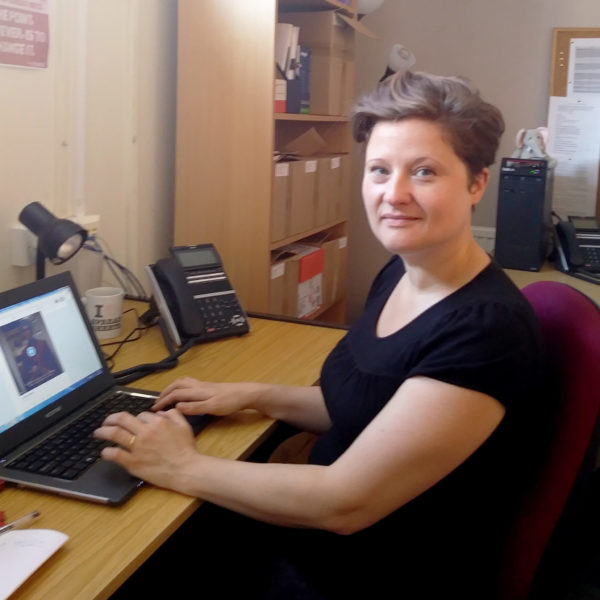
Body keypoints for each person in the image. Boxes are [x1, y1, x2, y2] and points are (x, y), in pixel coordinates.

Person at [95, 71, 548, 598]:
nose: (393, 194)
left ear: (476, 183)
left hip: (373, 570)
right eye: (379, 171)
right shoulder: (402, 271)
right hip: (322, 533)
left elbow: (345, 502)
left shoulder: (487, 330)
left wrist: (182, 465)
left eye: (424, 172)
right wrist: (255, 396)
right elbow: (369, 404)